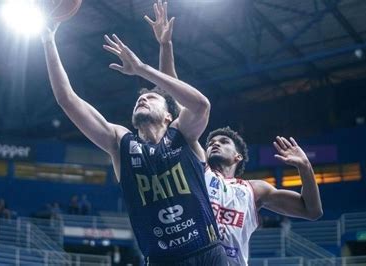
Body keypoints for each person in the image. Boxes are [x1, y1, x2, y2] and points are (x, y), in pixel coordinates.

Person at [41, 1, 227, 264]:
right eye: (140, 99)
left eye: (151, 97)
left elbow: (200, 104)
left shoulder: (183, 134)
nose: (142, 99)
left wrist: (144, 66)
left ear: (168, 115)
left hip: (208, 254)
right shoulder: (120, 142)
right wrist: (48, 38)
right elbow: (67, 100)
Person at [204, 127, 323, 265]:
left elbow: (312, 211)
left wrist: (305, 167)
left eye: (224, 142)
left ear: (238, 156)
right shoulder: (195, 178)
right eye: (211, 143)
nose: (215, 144)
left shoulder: (254, 189)